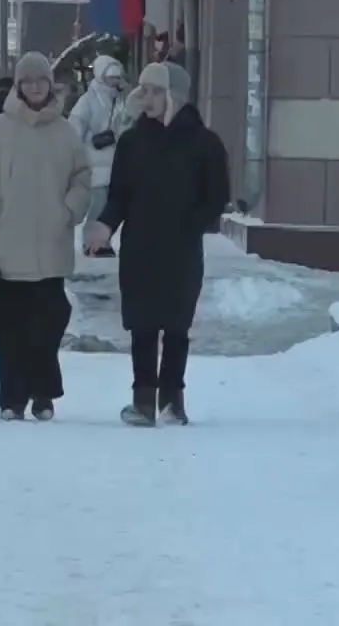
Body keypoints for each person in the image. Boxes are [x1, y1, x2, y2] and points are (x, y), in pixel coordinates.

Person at [85, 61, 229, 427]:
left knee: (177, 325)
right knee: (143, 325)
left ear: (173, 96)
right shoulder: (132, 142)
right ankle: (143, 402)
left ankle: (173, 402)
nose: (145, 98)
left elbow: (216, 198)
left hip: (181, 250)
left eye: (154, 91)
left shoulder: (205, 144)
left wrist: (189, 224)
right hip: (139, 247)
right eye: (143, 90)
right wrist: (104, 225)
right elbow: (119, 194)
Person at [0, 51, 92, 421]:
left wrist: (70, 210)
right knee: (13, 327)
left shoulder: (65, 131)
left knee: (48, 323)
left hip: (51, 244)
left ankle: (44, 394)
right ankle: (12, 398)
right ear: (19, 87)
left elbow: (82, 177)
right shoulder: (0, 129)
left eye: (40, 80)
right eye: (28, 81)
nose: (35, 87)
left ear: (49, 85)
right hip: (9, 244)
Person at [66, 54, 133, 258]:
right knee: (98, 205)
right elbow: (75, 126)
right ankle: (91, 242)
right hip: (94, 162)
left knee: (109, 207)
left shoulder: (120, 100)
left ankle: (101, 241)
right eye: (110, 77)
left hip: (114, 161)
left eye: (116, 78)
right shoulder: (88, 100)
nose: (114, 81)